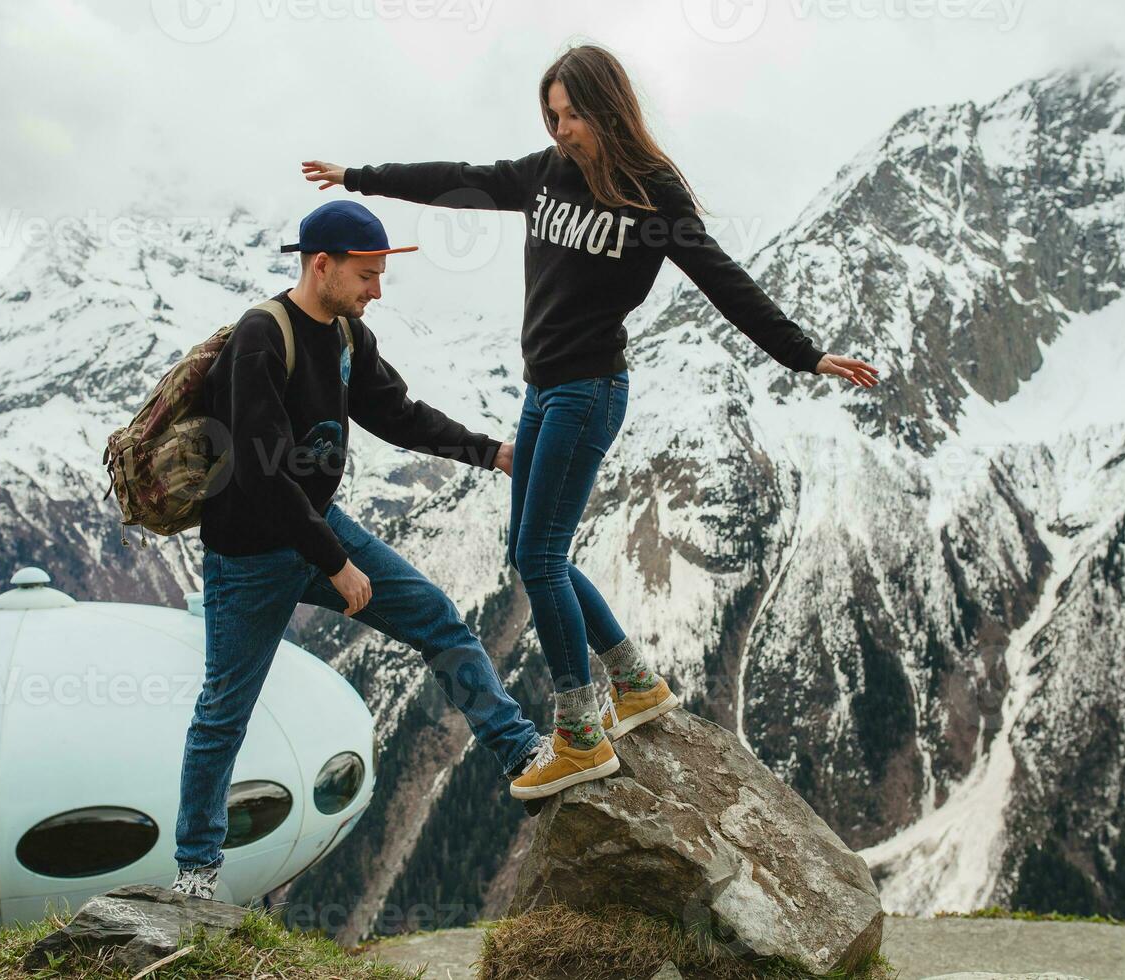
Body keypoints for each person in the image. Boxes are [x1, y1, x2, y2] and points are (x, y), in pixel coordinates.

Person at [302, 43, 879, 801]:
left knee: (539, 559)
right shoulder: (546, 175)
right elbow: (460, 181)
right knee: (532, 550)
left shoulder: (651, 192)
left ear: (609, 108)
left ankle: (579, 734)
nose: (562, 128)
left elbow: (722, 279)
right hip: (543, 392)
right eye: (552, 115)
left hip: (589, 393)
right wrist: (359, 178)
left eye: (573, 114)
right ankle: (634, 685)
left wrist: (804, 354)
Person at [171, 200, 543, 900]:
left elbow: (397, 415)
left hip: (317, 526)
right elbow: (259, 470)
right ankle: (195, 869)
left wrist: (489, 452)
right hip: (249, 555)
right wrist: (335, 562)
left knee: (436, 617)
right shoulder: (262, 336)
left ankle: (520, 750)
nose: (377, 290)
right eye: (368, 275)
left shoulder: (345, 336)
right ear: (323, 265)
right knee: (225, 707)